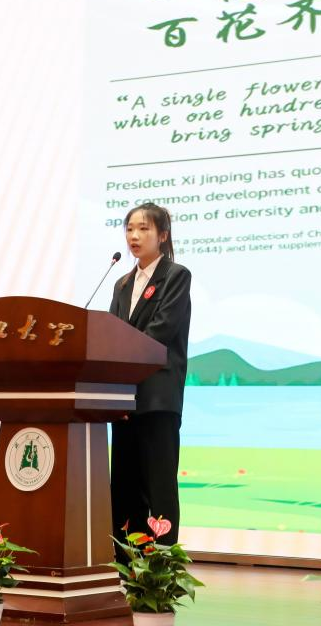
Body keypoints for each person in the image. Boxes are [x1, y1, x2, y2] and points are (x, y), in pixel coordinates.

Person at [108, 202, 191, 548]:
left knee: (159, 487)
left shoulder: (176, 276)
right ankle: (127, 564)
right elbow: (110, 335)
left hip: (157, 398)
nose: (135, 236)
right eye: (130, 229)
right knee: (124, 488)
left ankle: (160, 568)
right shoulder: (122, 283)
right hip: (124, 401)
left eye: (143, 229)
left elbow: (160, 333)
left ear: (163, 235)